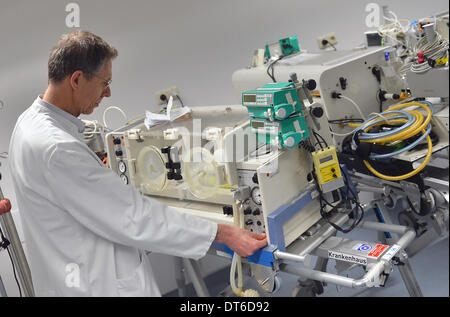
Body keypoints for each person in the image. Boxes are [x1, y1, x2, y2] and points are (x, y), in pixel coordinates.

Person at [8, 31, 267, 297]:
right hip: (97, 284)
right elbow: (134, 217)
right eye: (104, 82)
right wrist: (224, 233)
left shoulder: (27, 124)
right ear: (76, 79)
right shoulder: (57, 147)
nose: (107, 92)